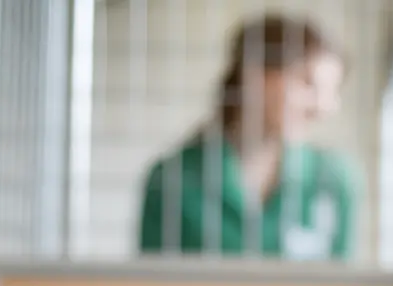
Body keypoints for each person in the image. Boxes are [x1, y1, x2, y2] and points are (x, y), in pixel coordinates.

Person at [139, 15, 358, 259]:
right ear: (253, 77)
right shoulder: (172, 179)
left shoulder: (333, 180)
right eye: (307, 83)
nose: (323, 108)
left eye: (332, 92)